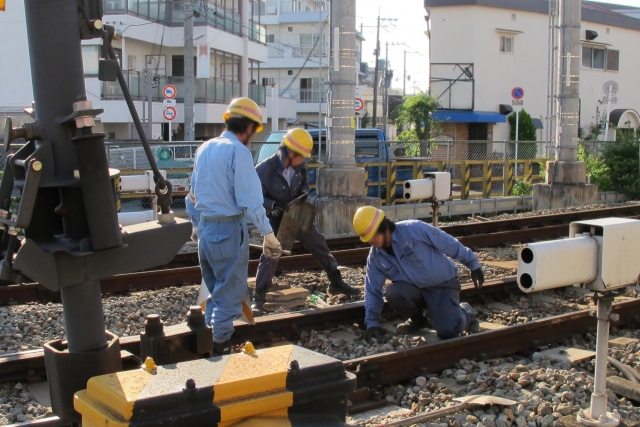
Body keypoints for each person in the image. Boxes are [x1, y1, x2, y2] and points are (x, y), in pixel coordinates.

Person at [190, 97, 285, 355]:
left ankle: (208, 343)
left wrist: (197, 225)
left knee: (215, 292)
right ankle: (220, 350)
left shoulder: (204, 148)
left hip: (206, 232)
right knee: (230, 297)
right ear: (248, 127)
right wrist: (268, 234)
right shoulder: (238, 152)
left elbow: (192, 196)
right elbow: (251, 200)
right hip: (228, 230)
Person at [251, 128, 360, 315]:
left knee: (318, 242)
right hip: (276, 218)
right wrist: (274, 205)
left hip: (296, 212)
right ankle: (258, 298)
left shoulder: (299, 165)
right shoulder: (263, 170)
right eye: (300, 155)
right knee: (271, 254)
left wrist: (303, 193)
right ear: (288, 151)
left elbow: (304, 183)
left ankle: (335, 281)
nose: (303, 160)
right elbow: (254, 197)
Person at [353, 206, 484, 342]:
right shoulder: (376, 257)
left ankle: (465, 312)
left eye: (373, 236)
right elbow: (372, 290)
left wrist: (473, 264)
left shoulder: (414, 230)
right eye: (368, 239)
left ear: (384, 228)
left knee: (448, 331)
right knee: (393, 294)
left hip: (442, 285)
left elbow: (447, 243)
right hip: (415, 290)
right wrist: (372, 324)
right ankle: (418, 320)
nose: (371, 241)